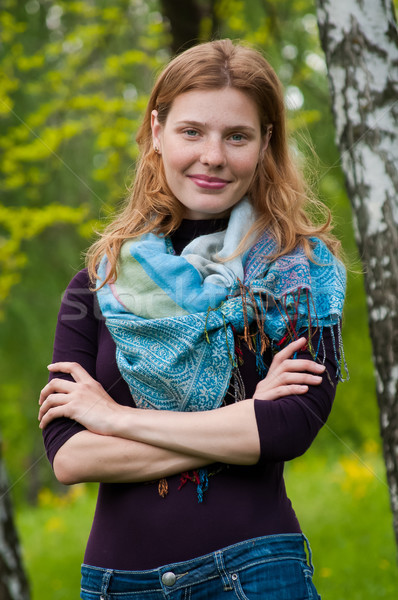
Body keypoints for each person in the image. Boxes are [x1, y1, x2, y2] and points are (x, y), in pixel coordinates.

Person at [39, 39, 347, 599]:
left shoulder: (298, 275)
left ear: (265, 143)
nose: (213, 156)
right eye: (191, 132)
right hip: (116, 586)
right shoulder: (99, 284)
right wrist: (243, 421)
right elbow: (69, 454)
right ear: (157, 132)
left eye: (237, 136)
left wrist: (114, 418)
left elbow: (289, 426)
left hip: (254, 574)